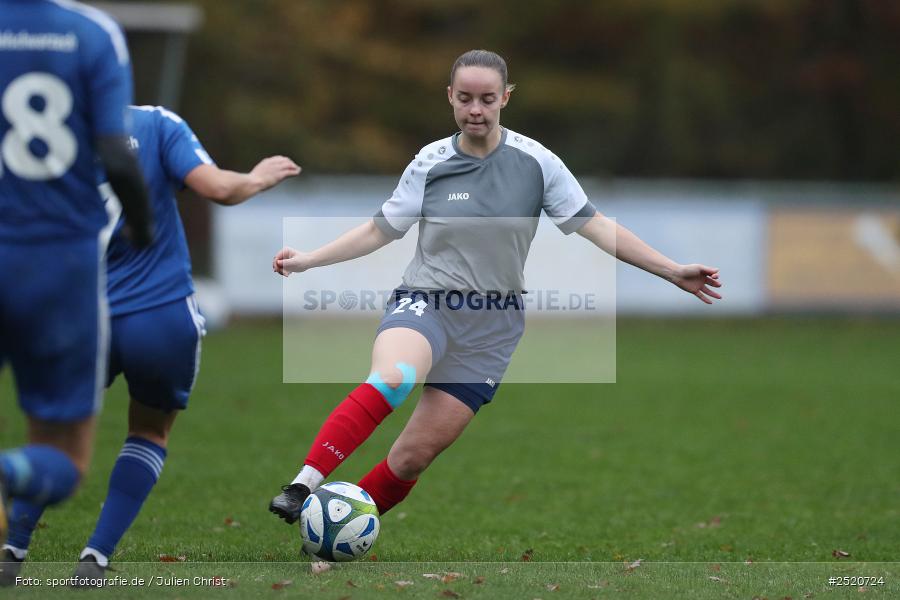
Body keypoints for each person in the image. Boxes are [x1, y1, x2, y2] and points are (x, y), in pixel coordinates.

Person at [268, 49, 722, 524]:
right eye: (465, 99)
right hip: (427, 302)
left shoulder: (537, 163)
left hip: (492, 328)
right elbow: (379, 229)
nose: (476, 110)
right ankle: (303, 485)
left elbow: (597, 226)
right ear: (450, 97)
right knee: (394, 376)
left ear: (506, 97)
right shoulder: (430, 162)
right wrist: (310, 260)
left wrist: (671, 270)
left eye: (487, 98)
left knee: (412, 458)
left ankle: (337, 526)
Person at [0, 104, 300, 584]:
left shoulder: (39, 137)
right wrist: (259, 177)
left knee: (54, 438)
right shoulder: (157, 124)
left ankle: (11, 550)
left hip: (80, 319)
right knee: (149, 433)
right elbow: (220, 189)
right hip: (159, 314)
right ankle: (94, 559)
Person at [0, 0, 153, 576]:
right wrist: (142, 224)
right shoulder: (91, 33)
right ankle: (10, 472)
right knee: (65, 457)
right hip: (58, 262)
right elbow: (115, 151)